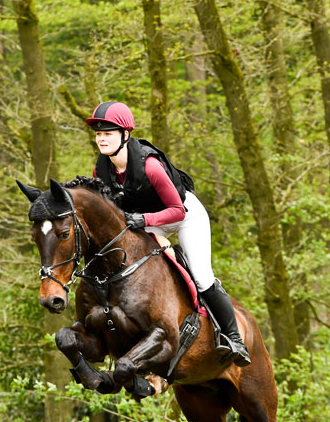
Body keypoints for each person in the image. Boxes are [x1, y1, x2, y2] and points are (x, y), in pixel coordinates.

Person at [86, 100, 250, 367]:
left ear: (125, 135)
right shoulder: (101, 169)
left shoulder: (149, 166)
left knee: (201, 276)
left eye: (108, 133)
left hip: (185, 215)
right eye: (99, 134)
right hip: (147, 220)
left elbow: (177, 210)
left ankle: (233, 339)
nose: (102, 139)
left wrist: (144, 220)